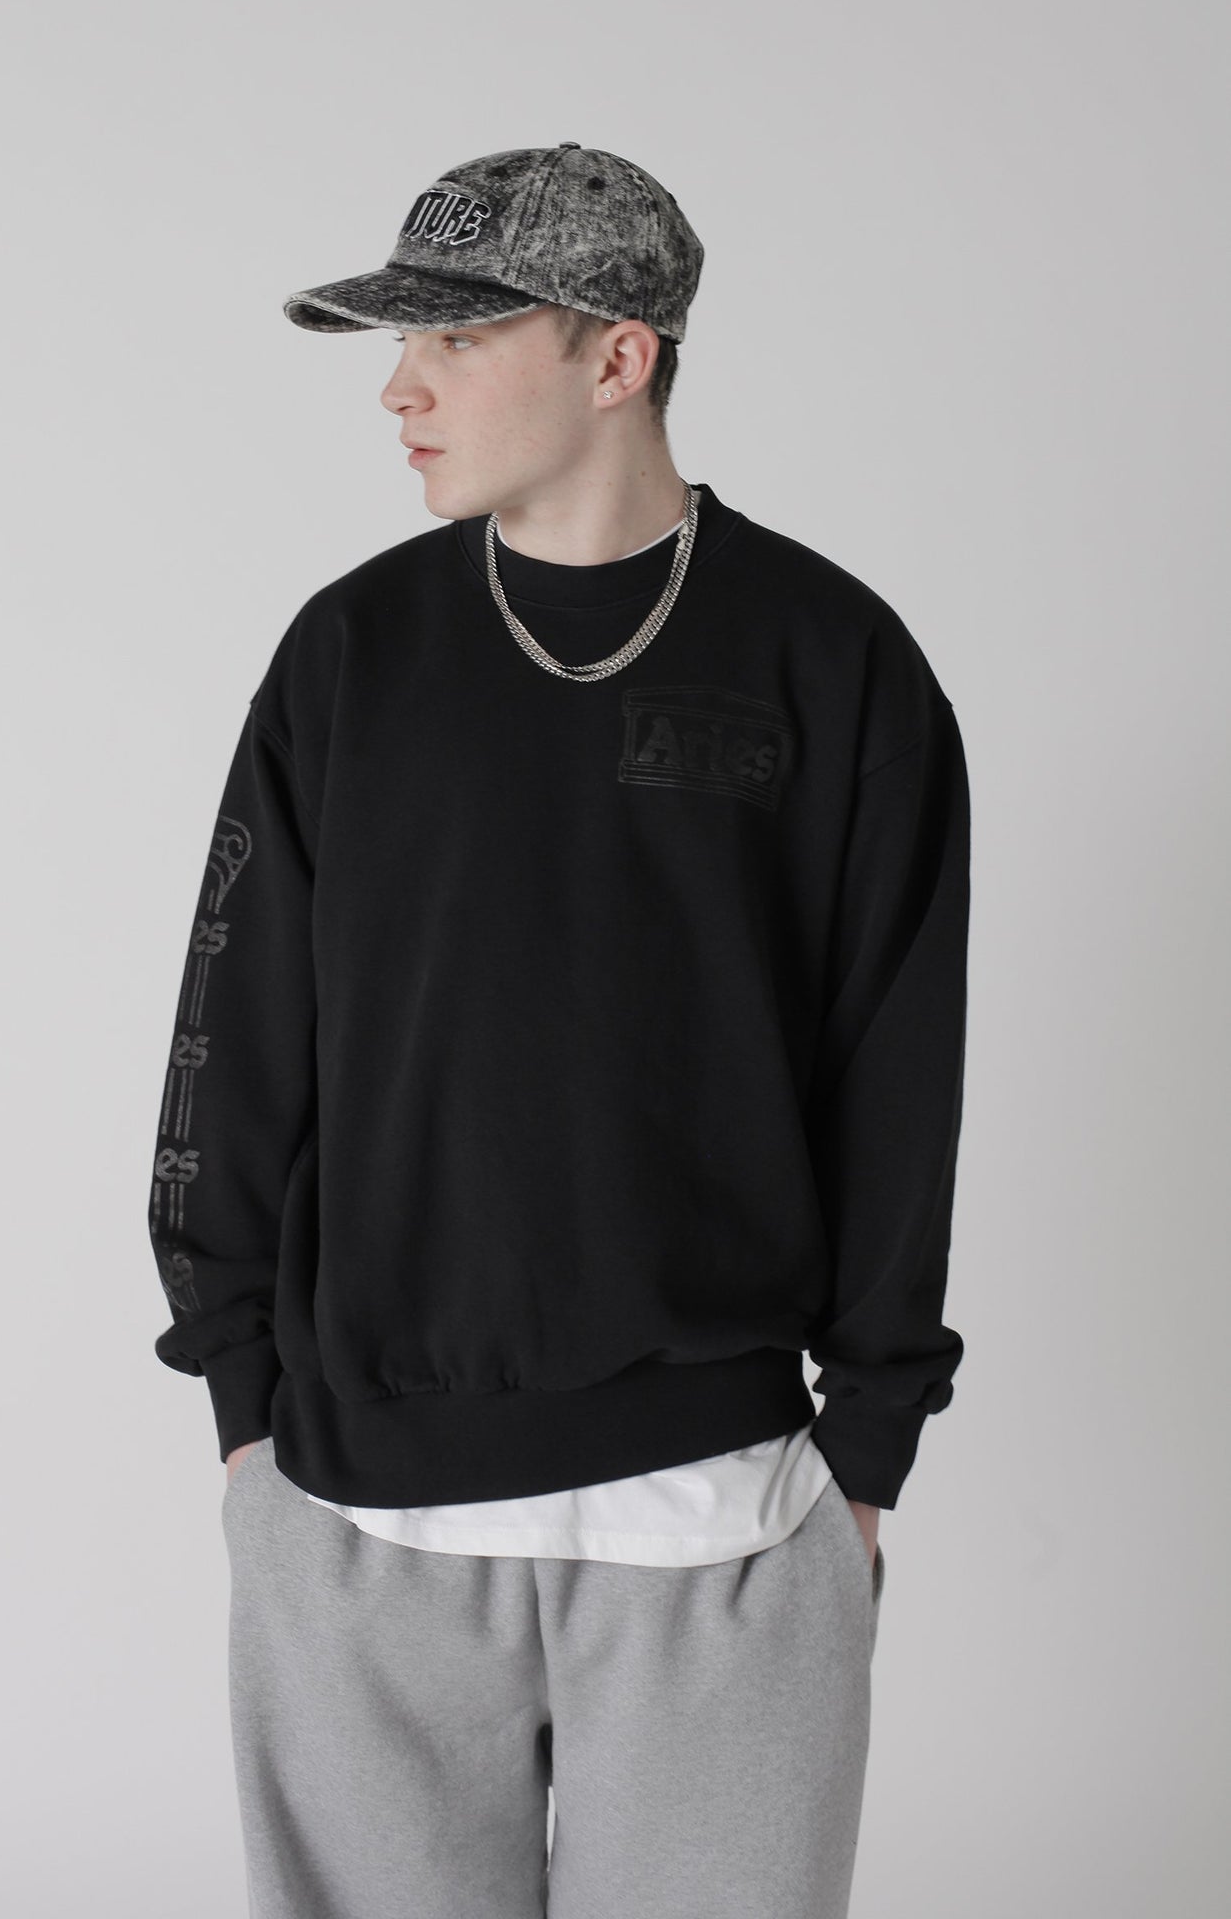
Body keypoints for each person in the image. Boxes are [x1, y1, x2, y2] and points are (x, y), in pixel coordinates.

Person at [148, 141, 971, 1919]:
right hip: (359, 1523)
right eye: (398, 341)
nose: (399, 387)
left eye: (456, 337)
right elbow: (236, 1031)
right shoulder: (350, 657)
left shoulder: (832, 663)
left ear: (618, 356)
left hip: (725, 1520)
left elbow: (895, 1069)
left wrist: (868, 1445)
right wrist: (241, 1410)